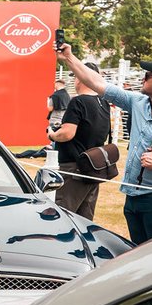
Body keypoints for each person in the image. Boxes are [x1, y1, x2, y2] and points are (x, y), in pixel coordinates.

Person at [59, 45, 152, 243]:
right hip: (131, 196)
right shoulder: (137, 102)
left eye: (147, 75)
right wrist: (69, 58)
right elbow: (97, 83)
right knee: (137, 255)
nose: (142, 78)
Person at [47, 62, 111, 221]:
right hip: (94, 166)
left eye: (76, 76)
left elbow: (67, 134)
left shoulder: (78, 102)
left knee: (63, 218)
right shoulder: (103, 103)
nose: (75, 80)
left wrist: (52, 134)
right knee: (85, 220)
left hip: (74, 168)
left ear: (81, 78)